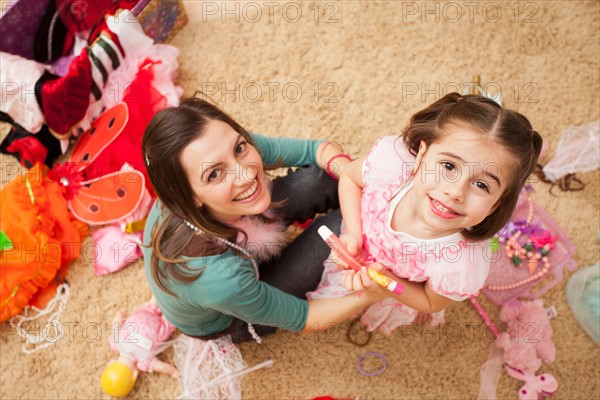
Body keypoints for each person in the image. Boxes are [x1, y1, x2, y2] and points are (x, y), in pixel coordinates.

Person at [141, 97, 385, 343]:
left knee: (322, 177)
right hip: (235, 314)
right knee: (336, 227)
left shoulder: (214, 145)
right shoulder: (220, 279)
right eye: (214, 174)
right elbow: (306, 319)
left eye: (239, 148)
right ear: (189, 197)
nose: (246, 173)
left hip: (224, 239)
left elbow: (317, 150)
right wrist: (369, 296)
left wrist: (361, 184)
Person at [308, 92, 543, 334]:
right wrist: (354, 233)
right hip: (350, 237)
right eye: (449, 166)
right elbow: (349, 176)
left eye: (482, 185)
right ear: (421, 155)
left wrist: (385, 284)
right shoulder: (392, 166)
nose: (455, 192)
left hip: (385, 287)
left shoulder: (461, 264)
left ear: (496, 205)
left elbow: (430, 302)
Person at [101, 297, 178, 398]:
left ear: (135, 375)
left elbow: (162, 367)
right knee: (151, 304)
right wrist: (119, 316)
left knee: (171, 320)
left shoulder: (144, 362)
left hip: (158, 329)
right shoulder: (115, 344)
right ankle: (157, 296)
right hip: (141, 317)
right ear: (110, 363)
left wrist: (173, 372)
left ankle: (176, 310)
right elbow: (115, 326)